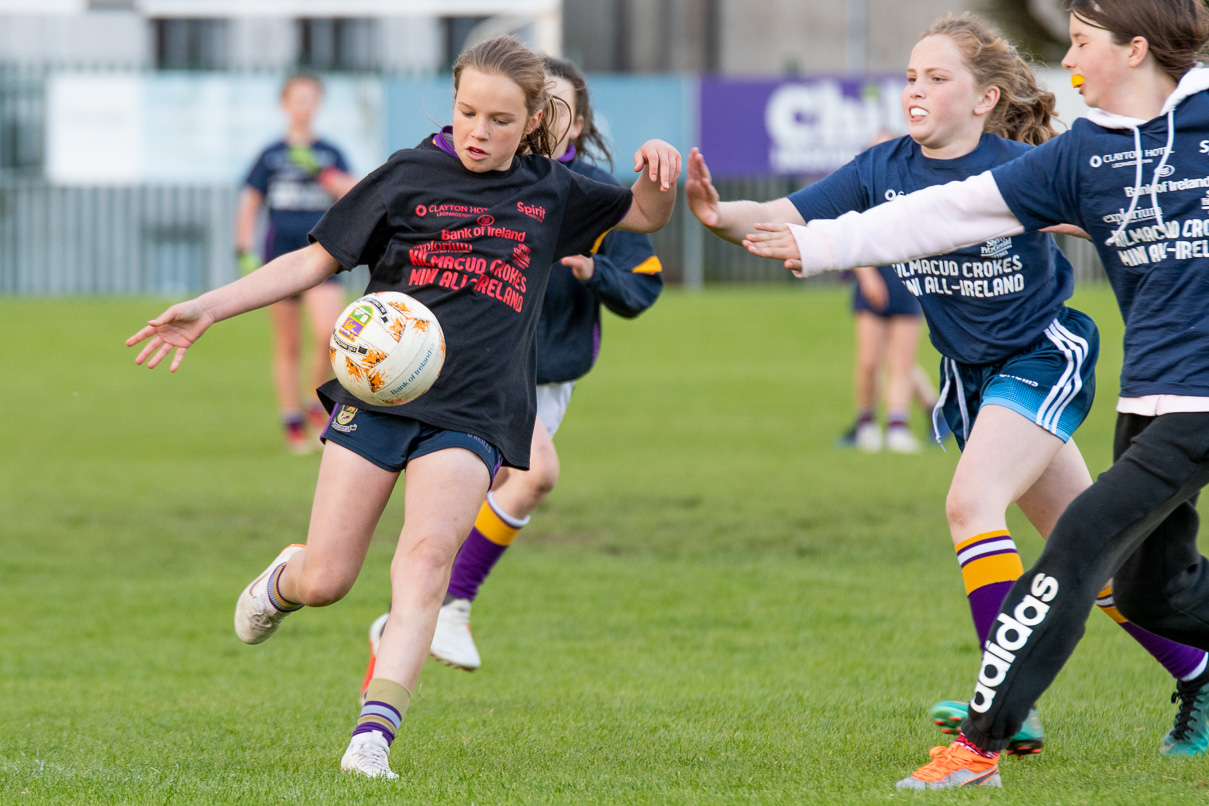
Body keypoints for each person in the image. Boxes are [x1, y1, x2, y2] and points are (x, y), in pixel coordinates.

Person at [127, 35, 681, 780]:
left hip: (475, 413)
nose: (478, 132)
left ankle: (372, 740)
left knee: (423, 564)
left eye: (499, 120)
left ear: (531, 122)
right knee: (327, 579)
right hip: (378, 396)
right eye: (466, 113)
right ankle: (283, 579)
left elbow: (645, 217)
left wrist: (659, 168)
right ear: (450, 105)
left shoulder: (553, 191)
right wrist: (209, 308)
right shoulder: (406, 175)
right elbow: (312, 260)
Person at [691, 11, 1209, 765]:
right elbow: (775, 216)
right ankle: (1195, 669)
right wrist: (716, 216)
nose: (915, 90)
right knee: (1102, 564)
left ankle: (1002, 710)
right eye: (908, 76)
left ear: (983, 99)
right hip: (972, 381)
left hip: (1041, 356)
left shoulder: (1031, 162)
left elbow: (1106, 210)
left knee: (972, 505)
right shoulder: (882, 169)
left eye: (936, 77)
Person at [359, 56, 664, 681]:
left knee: (467, 515)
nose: (548, 119)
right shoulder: (482, 180)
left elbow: (643, 285)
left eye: (562, 108)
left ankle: (402, 629)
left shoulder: (591, 195)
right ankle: (447, 605)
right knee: (535, 476)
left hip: (556, 377)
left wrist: (592, 270)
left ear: (574, 123)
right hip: (487, 374)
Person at [235, 73, 358, 454]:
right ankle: (291, 420)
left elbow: (355, 193)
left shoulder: (330, 153)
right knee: (288, 344)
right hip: (281, 255)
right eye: (297, 99)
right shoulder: (270, 154)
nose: (304, 106)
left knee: (330, 334)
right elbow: (250, 201)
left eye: (311, 99)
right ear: (284, 105)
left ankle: (312, 401)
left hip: (323, 254)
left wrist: (322, 174)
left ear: (318, 105)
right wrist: (243, 249)